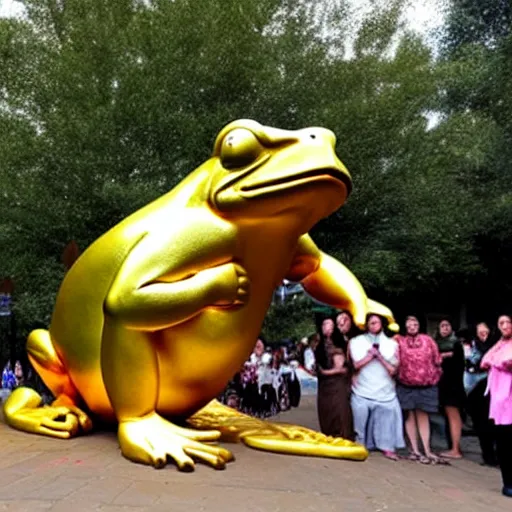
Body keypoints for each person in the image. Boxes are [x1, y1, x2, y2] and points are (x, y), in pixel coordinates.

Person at [349, 314, 404, 460]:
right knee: (359, 421)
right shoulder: (357, 341)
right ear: (367, 325)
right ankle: (359, 444)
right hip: (362, 389)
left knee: (386, 418)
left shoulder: (392, 344)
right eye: (371, 323)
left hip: (385, 390)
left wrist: (379, 356)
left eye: (377, 322)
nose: (374, 325)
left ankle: (387, 447)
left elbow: (393, 370)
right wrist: (369, 356)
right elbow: (356, 364)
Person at [396, 316, 445, 464]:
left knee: (423, 415)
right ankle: (414, 450)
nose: (412, 327)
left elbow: (437, 359)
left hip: (426, 384)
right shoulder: (399, 341)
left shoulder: (428, 340)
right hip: (406, 384)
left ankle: (427, 449)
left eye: (415, 324)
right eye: (409, 324)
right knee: (409, 415)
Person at [481, 314, 512, 498]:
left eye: (509, 322)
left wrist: (499, 363)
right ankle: (508, 482)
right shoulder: (500, 344)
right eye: (501, 323)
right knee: (504, 441)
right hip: (500, 400)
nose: (505, 326)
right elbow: (485, 361)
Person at [464, 322, 498, 466]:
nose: (483, 333)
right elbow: (468, 364)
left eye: (486, 331)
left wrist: (478, 367)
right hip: (473, 387)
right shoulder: (470, 345)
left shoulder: (496, 345)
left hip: (491, 386)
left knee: (493, 424)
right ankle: (487, 456)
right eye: (480, 331)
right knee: (480, 424)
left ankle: (497, 456)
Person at [315, 317, 354, 440]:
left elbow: (342, 369)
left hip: (337, 383)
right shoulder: (319, 346)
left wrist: (326, 372)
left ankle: (342, 436)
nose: (327, 327)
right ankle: (329, 434)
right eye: (325, 324)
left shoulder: (338, 344)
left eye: (330, 325)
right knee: (326, 409)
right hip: (324, 385)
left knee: (339, 409)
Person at [435, 318, 465, 459]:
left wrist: (443, 356)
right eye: (442, 325)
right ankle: (452, 446)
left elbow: (458, 365)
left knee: (453, 415)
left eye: (448, 325)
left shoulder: (456, 344)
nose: (445, 328)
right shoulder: (436, 344)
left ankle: (455, 449)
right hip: (442, 385)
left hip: (452, 385)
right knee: (448, 416)